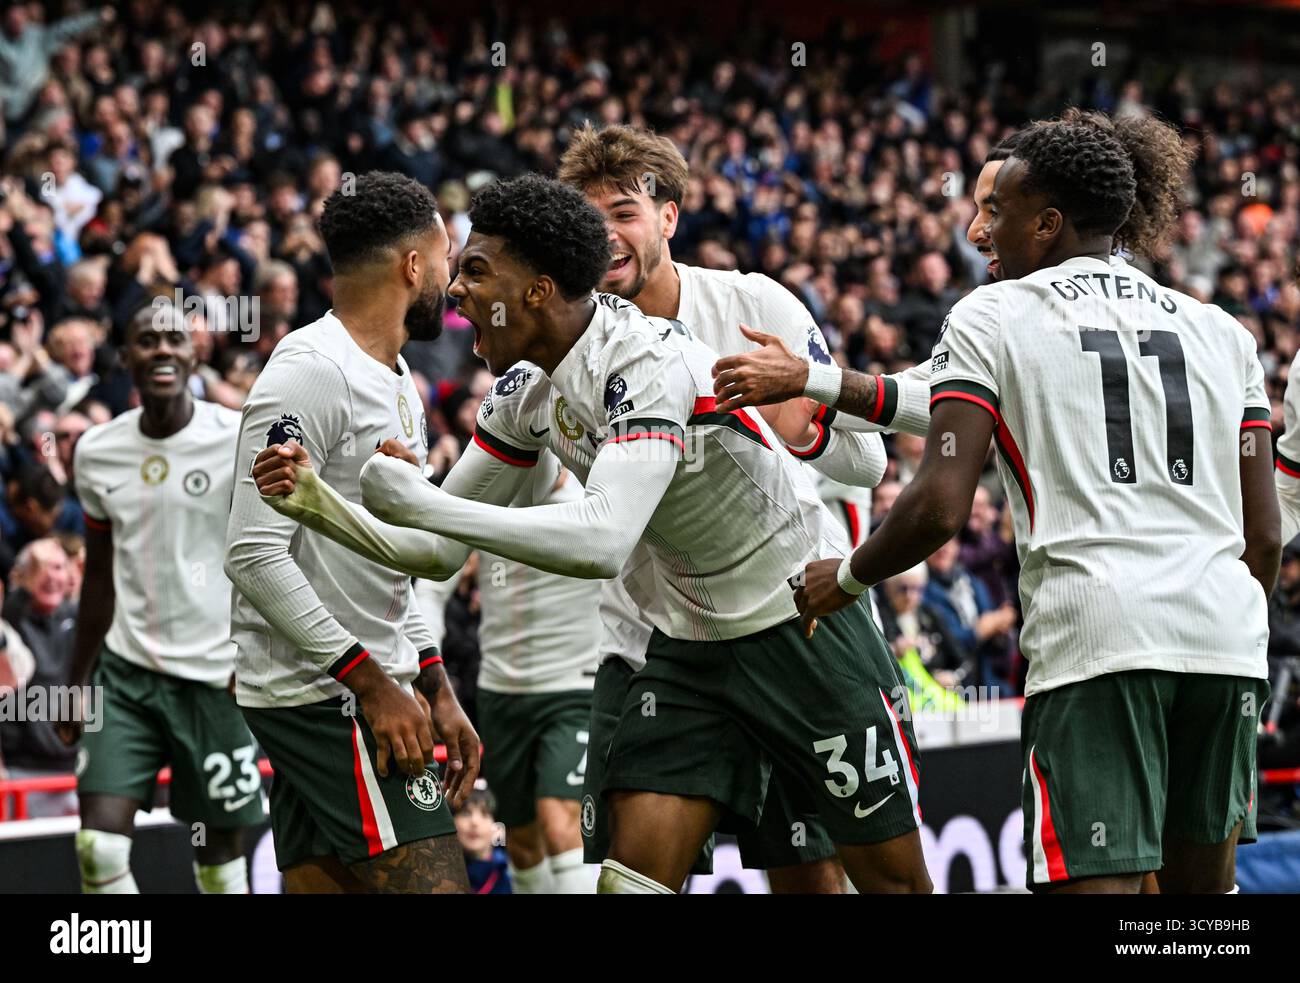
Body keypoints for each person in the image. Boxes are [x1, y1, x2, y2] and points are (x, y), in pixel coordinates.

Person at [254, 175, 931, 895]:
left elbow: (600, 540)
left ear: (540, 291)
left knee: (883, 884)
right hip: (687, 652)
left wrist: (419, 503)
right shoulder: (525, 391)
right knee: (626, 883)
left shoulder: (645, 361)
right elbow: (439, 553)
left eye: (477, 271)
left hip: (804, 629)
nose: (455, 290)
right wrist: (322, 505)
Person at [793, 109, 1276, 894]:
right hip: (1225, 641)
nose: (980, 231)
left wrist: (843, 577)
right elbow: (1264, 534)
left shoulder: (996, 313)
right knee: (1201, 911)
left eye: (998, 211)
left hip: (1100, 638)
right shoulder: (1221, 331)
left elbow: (941, 503)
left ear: (1048, 223)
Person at [558, 122, 904, 891]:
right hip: (650, 642)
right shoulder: (563, 343)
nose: (605, 234)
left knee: (809, 879)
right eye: (588, 217)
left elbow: (870, 459)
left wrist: (804, 423)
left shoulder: (751, 303)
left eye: (624, 211)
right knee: (631, 880)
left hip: (787, 627)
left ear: (670, 217)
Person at [224, 171, 479, 894]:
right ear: (412, 266)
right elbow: (252, 553)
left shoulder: (397, 375)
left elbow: (381, 558)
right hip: (329, 696)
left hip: (359, 681)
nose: (452, 280)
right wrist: (370, 682)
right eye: (446, 258)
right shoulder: (311, 371)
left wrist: (431, 675)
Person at [55, 302, 261, 895]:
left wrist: (256, 655)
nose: (162, 350)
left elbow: (270, 554)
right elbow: (98, 579)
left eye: (174, 339)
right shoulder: (96, 452)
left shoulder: (235, 437)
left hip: (216, 680)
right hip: (126, 676)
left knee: (220, 863)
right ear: (125, 359)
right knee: (98, 844)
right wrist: (75, 682)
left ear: (195, 353)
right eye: (146, 341)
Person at [472, 466, 602, 894]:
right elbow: (437, 582)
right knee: (522, 841)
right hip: (499, 692)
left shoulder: (595, 503)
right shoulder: (483, 499)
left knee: (559, 820)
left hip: (575, 689)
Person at [0, 538, 78, 817]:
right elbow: (10, 610)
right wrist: (23, 587)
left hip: (76, 770)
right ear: (25, 576)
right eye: (41, 568)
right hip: (25, 772)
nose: (52, 577)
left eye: (58, 567)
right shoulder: (11, 619)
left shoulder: (76, 617)